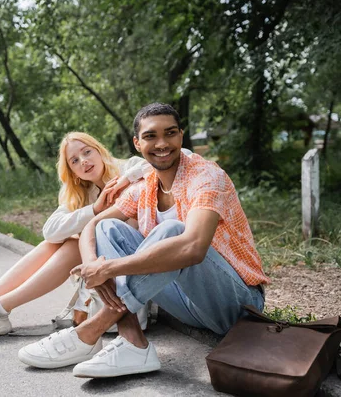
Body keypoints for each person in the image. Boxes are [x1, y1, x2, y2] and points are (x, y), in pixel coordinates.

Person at [18, 103, 270, 378]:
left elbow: (193, 248)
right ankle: (133, 344)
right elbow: (92, 226)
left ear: (181, 136)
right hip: (185, 304)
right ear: (138, 144)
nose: (162, 143)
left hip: (235, 305)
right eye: (151, 136)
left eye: (170, 133)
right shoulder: (146, 184)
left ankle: (89, 331)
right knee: (108, 229)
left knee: (174, 231)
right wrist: (93, 268)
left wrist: (110, 269)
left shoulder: (206, 175)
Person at [0, 132, 155, 335]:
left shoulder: (129, 167)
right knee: (57, 242)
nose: (84, 161)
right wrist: (94, 209)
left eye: (87, 152)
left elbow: (154, 166)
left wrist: (124, 182)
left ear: (99, 150)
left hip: (135, 267)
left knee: (73, 243)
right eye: (75, 161)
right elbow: (50, 232)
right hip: (106, 268)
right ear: (73, 172)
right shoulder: (83, 194)